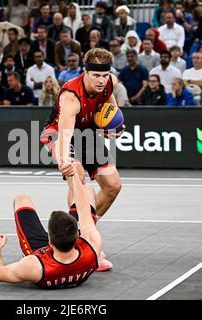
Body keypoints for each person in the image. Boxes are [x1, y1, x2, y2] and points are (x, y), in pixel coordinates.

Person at [40, 48, 124, 271]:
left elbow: (110, 106)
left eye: (104, 75)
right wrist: (64, 160)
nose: (101, 80)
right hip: (59, 135)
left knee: (113, 185)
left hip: (86, 133)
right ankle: (87, 243)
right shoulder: (71, 96)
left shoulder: (110, 83)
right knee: (77, 179)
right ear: (85, 72)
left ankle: (82, 234)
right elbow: (65, 134)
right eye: (96, 75)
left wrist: (114, 127)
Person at [0, 164, 102, 289]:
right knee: (88, 192)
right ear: (77, 235)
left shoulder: (33, 266)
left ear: (49, 240)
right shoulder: (93, 246)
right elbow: (84, 210)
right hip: (79, 260)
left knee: (21, 199)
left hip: (40, 255)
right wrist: (74, 174)